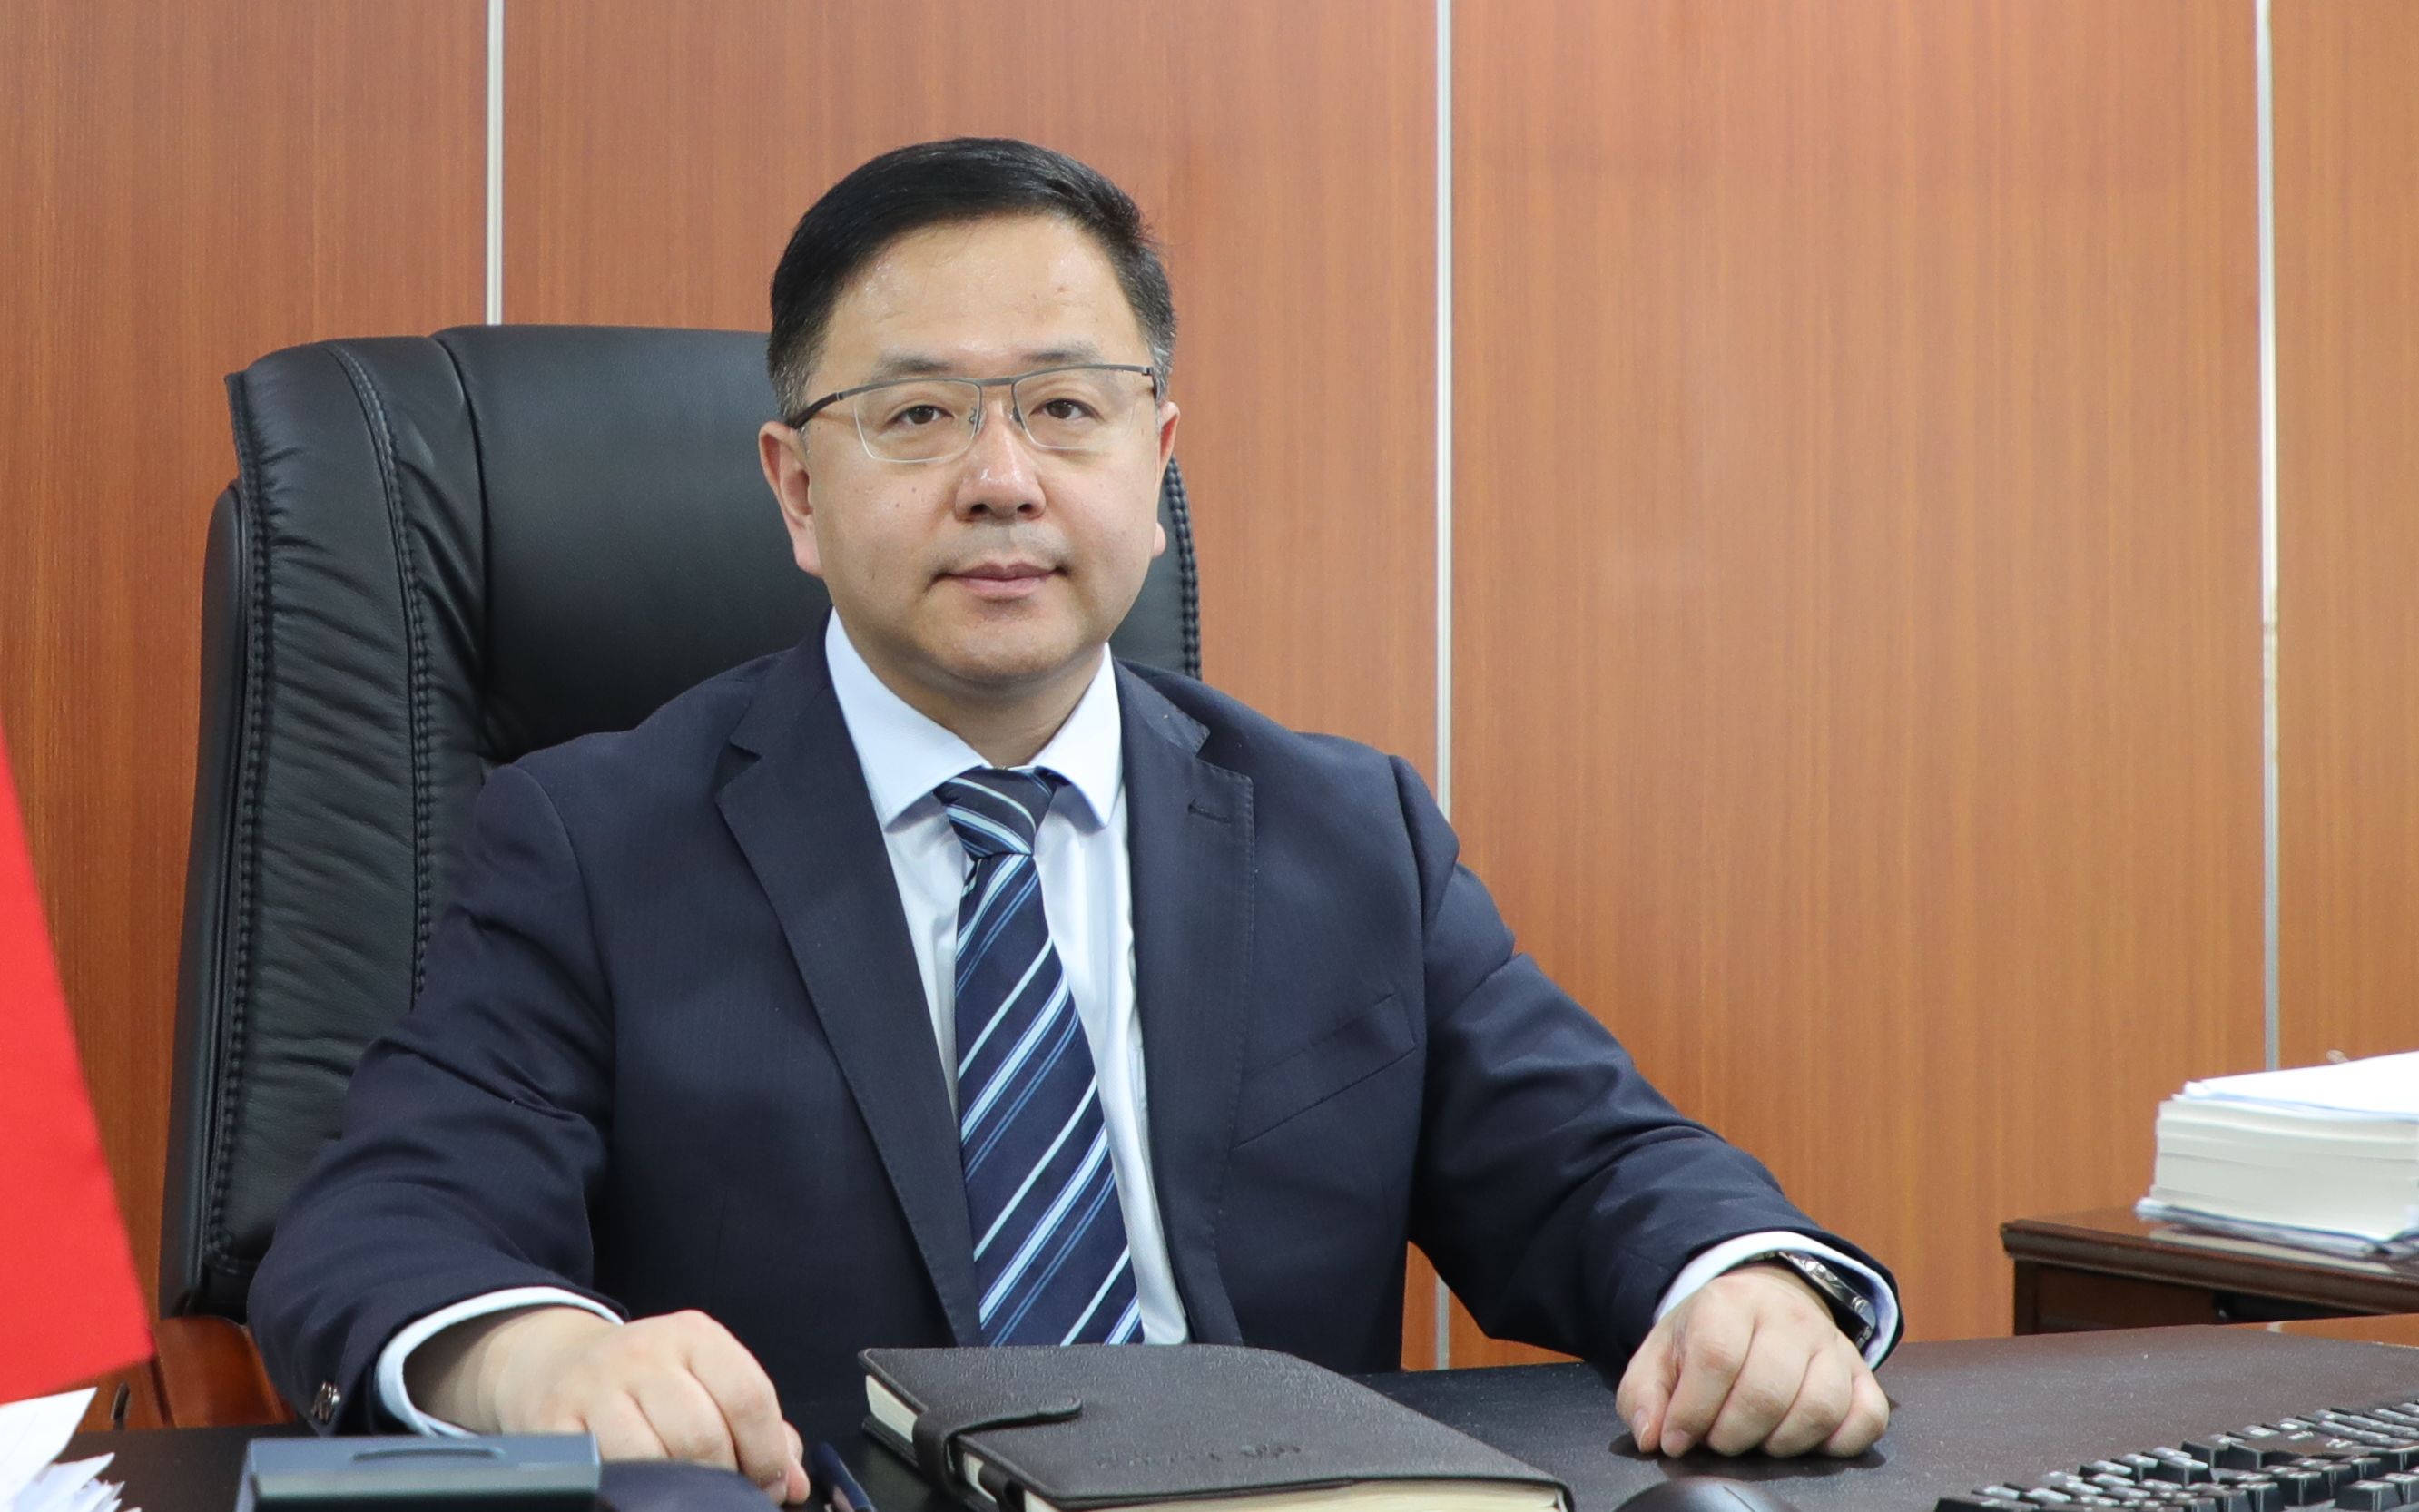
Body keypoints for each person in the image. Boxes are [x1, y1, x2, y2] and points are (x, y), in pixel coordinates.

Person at [250, 138, 1902, 1505]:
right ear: (797, 490)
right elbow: (388, 1219)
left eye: (1064, 406)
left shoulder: (1348, 834)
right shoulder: (597, 839)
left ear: (1153, 460)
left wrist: (1740, 1287)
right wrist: (539, 1356)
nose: (1002, 476)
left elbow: (1599, 1165)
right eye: (916, 415)